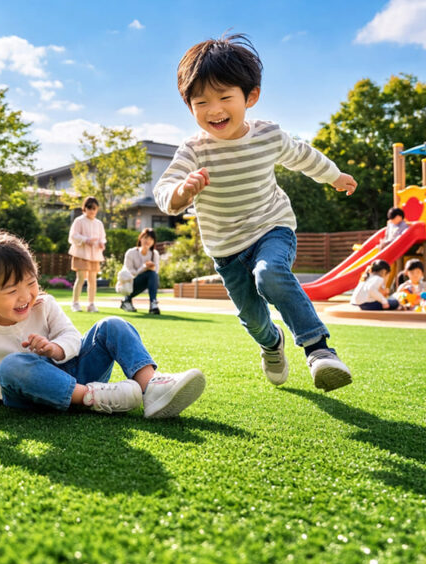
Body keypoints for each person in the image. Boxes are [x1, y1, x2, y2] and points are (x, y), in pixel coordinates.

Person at [153, 34, 357, 392]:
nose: (214, 110)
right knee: (252, 318)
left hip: (271, 228)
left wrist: (334, 176)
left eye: (224, 97)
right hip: (226, 249)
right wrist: (182, 191)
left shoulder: (268, 135)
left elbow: (303, 155)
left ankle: (319, 350)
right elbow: (164, 190)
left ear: (251, 97)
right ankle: (271, 343)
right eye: (201, 102)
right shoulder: (194, 150)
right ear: (189, 106)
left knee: (270, 273)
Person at [0, 231, 206, 419]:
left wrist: (56, 348)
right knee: (13, 365)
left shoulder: (44, 305)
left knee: (113, 324)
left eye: (31, 282)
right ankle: (92, 397)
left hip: (73, 371)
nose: (26, 296)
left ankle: (152, 388)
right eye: (11, 290)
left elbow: (72, 336)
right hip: (30, 393)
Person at [68, 196, 106, 312]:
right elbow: (73, 235)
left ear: (97, 209)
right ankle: (75, 303)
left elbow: (102, 237)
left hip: (94, 254)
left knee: (92, 280)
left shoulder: (99, 223)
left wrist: (101, 243)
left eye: (94, 208)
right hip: (81, 253)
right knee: (80, 278)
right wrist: (86, 240)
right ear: (84, 208)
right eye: (89, 208)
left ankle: (91, 304)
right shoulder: (79, 221)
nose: (91, 210)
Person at [119, 228, 161, 314]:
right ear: (140, 238)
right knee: (150, 274)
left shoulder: (154, 254)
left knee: (152, 275)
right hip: (128, 283)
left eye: (151, 239)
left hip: (144, 281)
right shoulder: (131, 252)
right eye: (145, 238)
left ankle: (153, 303)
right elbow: (130, 273)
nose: (148, 241)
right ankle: (127, 299)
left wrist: (151, 268)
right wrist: (144, 267)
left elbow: (156, 272)